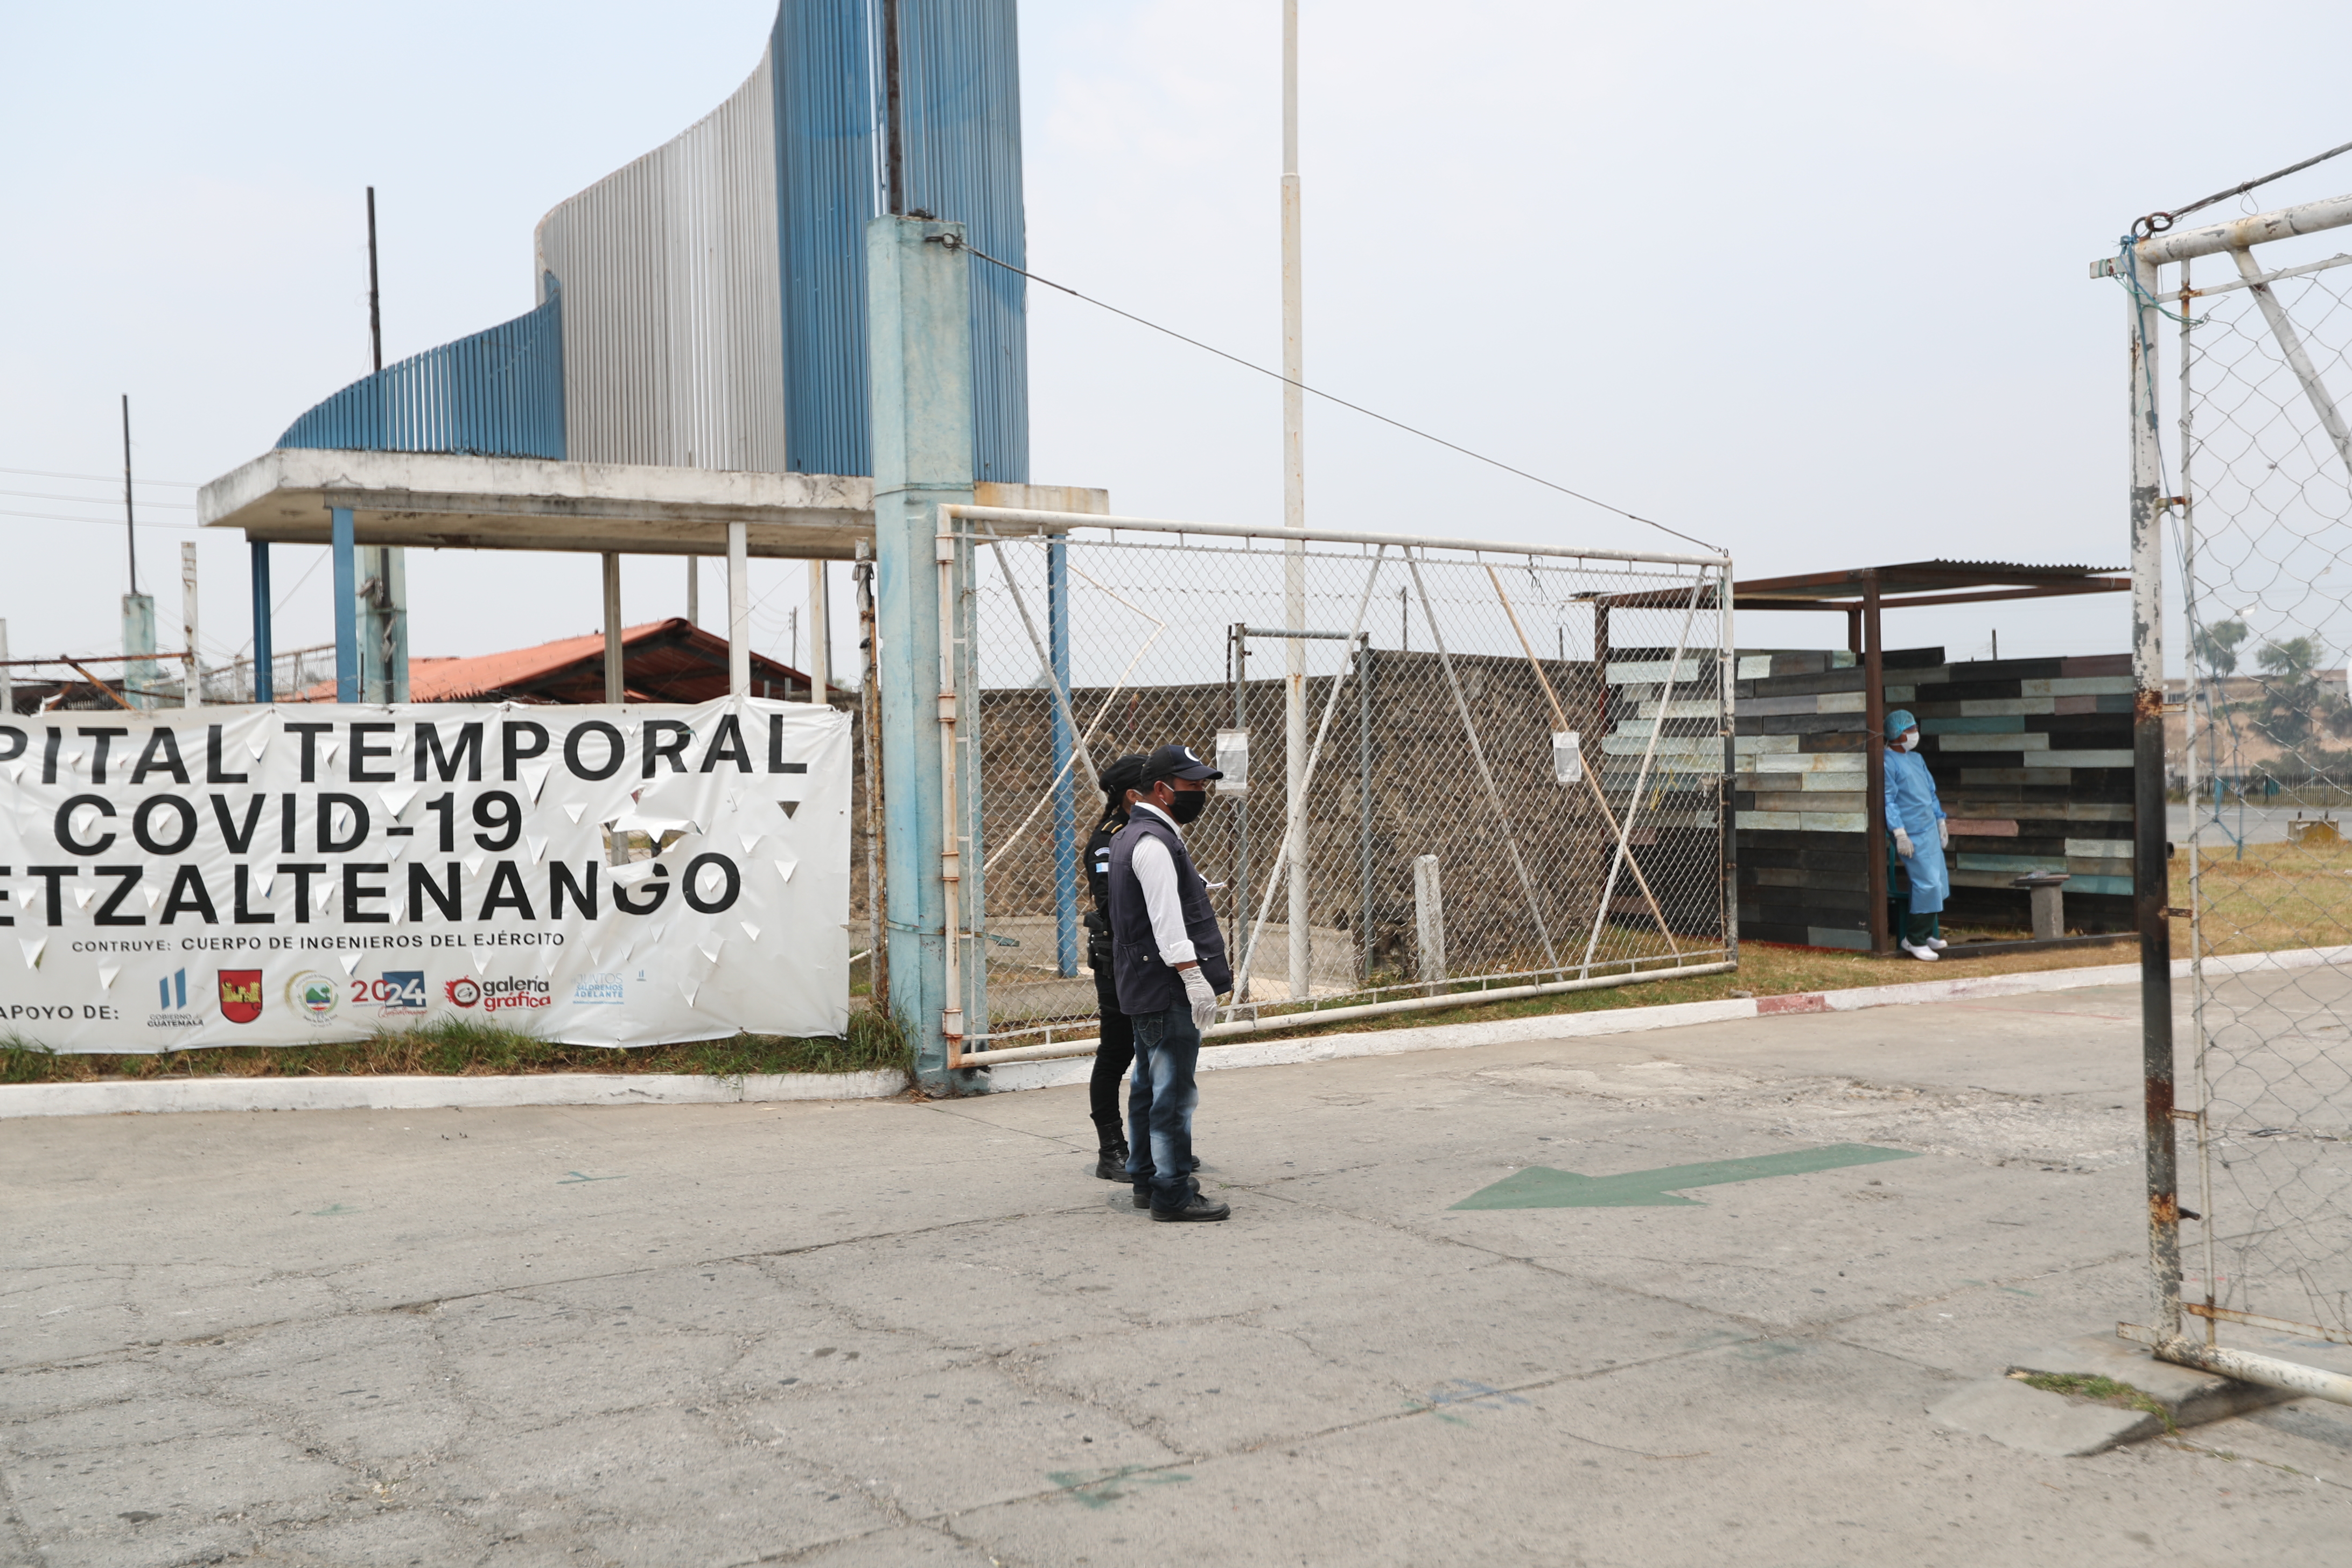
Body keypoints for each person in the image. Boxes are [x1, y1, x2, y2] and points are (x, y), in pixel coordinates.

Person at [1107, 742, 1233, 1222]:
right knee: (1175, 1094)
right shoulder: (1154, 843)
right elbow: (1165, 923)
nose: (1201, 792)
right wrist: (1194, 978)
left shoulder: (1131, 834)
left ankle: (1146, 1176)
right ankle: (1173, 1191)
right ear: (1162, 790)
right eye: (1192, 785)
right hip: (1166, 985)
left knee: (1146, 1083)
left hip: (1142, 983)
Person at [1081, 754, 1148, 1179]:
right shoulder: (1108, 841)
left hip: (1148, 957)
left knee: (1156, 1050)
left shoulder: (1147, 833)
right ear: (1130, 796)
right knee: (1117, 1052)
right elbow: (1112, 903)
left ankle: (1154, 1141)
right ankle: (1112, 1149)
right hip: (1118, 960)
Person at [1883, 709, 1950, 960]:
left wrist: (1940, 820)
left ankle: (1927, 933)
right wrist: (1899, 833)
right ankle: (1913, 939)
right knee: (1927, 883)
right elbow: (1888, 800)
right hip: (1911, 833)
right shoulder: (1887, 762)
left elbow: (1930, 792)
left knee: (1939, 882)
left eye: (1915, 728)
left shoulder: (1916, 758)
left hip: (1929, 829)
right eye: (1909, 730)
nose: (1915, 734)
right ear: (1896, 734)